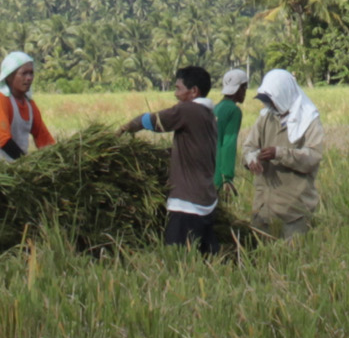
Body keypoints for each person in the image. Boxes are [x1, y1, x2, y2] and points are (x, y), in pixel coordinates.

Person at [122, 66, 223, 254]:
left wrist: (126, 128)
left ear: (193, 91)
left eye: (178, 89)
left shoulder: (189, 110)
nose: (176, 94)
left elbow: (153, 120)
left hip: (188, 204)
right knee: (205, 259)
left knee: (177, 259)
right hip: (205, 199)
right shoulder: (208, 114)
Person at [238, 68, 325, 242]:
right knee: (260, 258)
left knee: (292, 261)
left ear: (284, 95)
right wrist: (251, 159)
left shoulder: (308, 121)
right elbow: (248, 147)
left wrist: (280, 153)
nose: (269, 105)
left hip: (294, 209)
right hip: (263, 207)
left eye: (272, 100)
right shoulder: (265, 118)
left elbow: (313, 157)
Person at [0, 51, 53, 168]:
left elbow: (44, 139)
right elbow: (4, 141)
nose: (29, 78)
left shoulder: (30, 105)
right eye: (24, 73)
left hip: (18, 172)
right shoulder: (0, 100)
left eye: (31, 73)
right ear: (9, 76)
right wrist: (27, 162)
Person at [211, 66, 246, 197]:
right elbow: (228, 144)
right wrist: (227, 177)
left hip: (207, 170)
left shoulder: (216, 108)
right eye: (245, 88)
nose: (245, 93)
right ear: (239, 88)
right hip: (219, 173)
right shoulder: (234, 111)